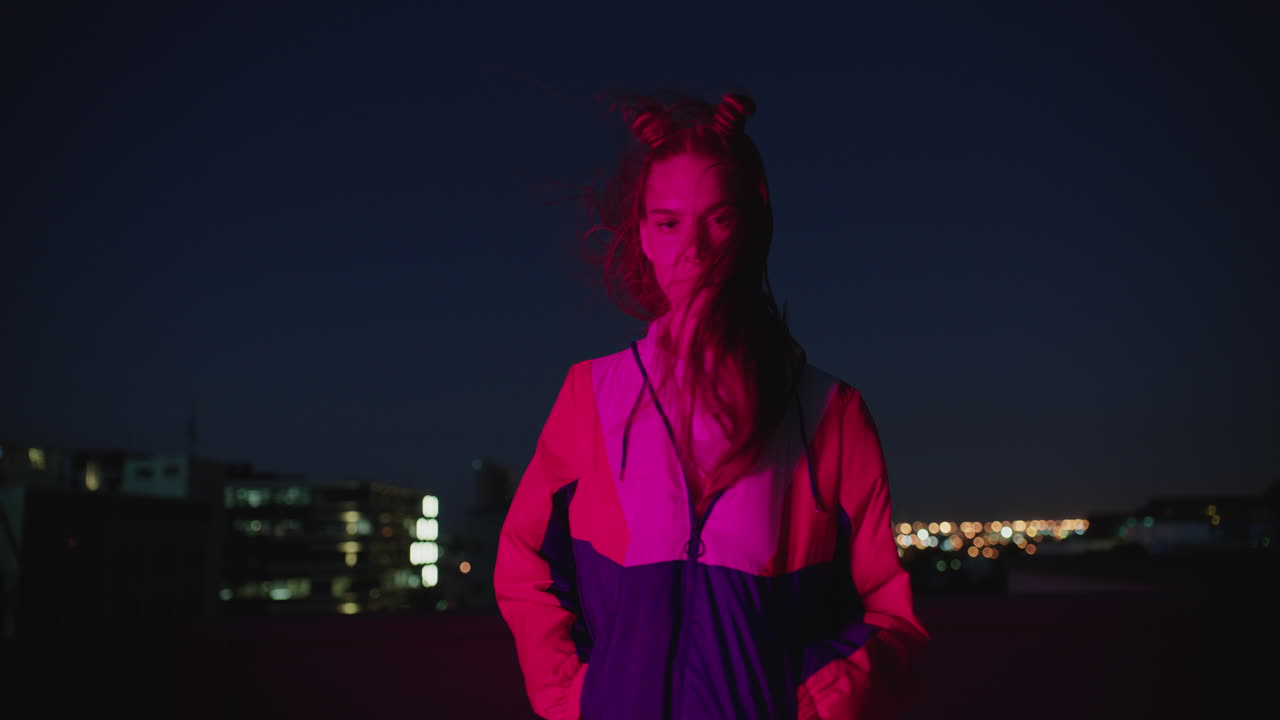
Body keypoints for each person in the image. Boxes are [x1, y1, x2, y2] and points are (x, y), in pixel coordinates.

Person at [493, 90, 929, 720]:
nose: (693, 248)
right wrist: (574, 693)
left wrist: (806, 702)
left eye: (718, 218)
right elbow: (524, 562)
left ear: (752, 223)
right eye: (669, 222)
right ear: (643, 234)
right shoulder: (592, 393)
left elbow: (889, 609)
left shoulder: (829, 410)